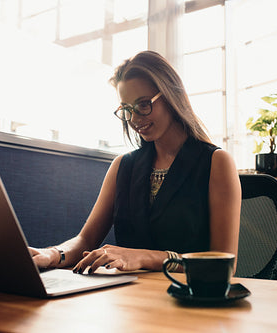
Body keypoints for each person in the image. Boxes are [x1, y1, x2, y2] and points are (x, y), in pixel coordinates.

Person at [29, 50, 241, 274]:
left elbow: (225, 263)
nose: (135, 119)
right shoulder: (123, 166)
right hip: (129, 298)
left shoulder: (216, 162)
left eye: (143, 104)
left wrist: (144, 257)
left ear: (170, 96)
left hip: (188, 300)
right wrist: (52, 254)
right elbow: (85, 240)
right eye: (127, 110)